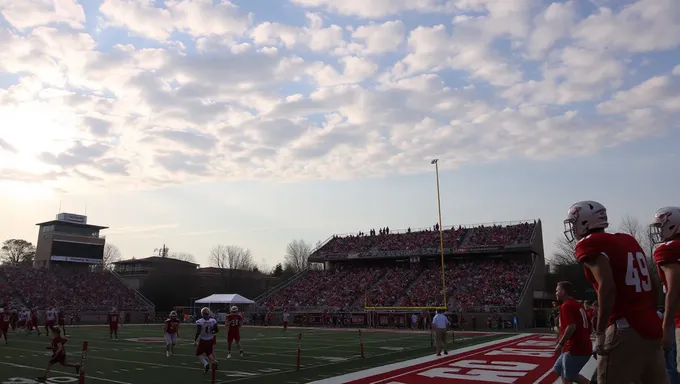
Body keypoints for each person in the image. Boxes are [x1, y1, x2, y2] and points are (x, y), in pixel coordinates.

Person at [564, 200, 668, 383]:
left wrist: (601, 330)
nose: (572, 229)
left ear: (584, 222)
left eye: (574, 223)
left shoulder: (591, 244)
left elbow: (608, 286)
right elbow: (653, 283)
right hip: (651, 326)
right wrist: (648, 310)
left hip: (624, 327)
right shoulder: (627, 240)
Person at [651, 206, 680, 384]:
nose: (659, 231)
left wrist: (666, 325)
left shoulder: (669, 249)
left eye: (661, 226)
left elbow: (674, 290)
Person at [553, 281, 592, 383]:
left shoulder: (566, 305)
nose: (556, 293)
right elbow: (589, 327)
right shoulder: (578, 305)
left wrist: (560, 344)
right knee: (558, 368)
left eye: (557, 290)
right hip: (582, 345)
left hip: (574, 347)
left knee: (567, 378)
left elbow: (571, 327)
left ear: (563, 292)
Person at [195, 307, 218, 374]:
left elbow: (198, 332)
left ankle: (206, 364)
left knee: (198, 354)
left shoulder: (200, 321)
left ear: (202, 313)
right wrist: (211, 332)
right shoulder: (213, 321)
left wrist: (195, 340)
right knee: (209, 353)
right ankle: (214, 362)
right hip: (210, 339)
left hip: (203, 340)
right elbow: (216, 330)